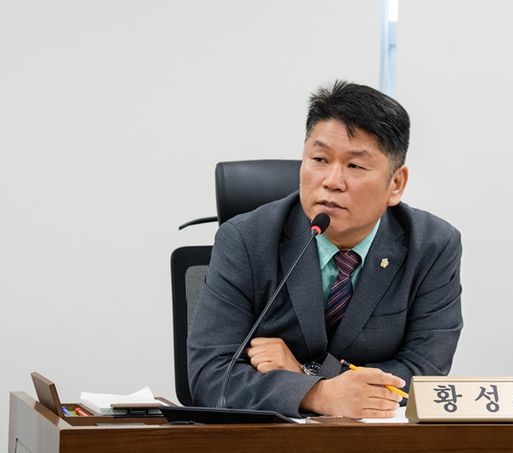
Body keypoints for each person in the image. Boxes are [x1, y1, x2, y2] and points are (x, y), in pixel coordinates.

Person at [188, 80, 463, 419]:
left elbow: (424, 374)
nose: (332, 181)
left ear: (396, 183)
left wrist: (309, 376)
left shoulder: (432, 245)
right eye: (319, 159)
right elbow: (210, 376)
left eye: (355, 166)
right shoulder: (245, 240)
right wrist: (318, 395)